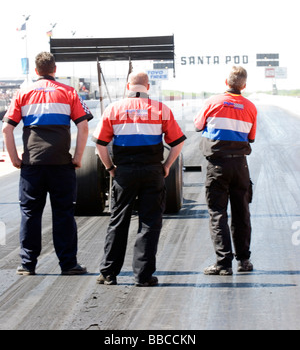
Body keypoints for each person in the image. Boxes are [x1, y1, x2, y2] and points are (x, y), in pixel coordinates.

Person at [2, 51, 93, 275]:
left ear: (36, 71)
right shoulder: (69, 92)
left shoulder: (23, 93)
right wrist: (78, 157)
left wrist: (14, 158)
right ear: (55, 70)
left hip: (32, 164)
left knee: (30, 214)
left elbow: (7, 128)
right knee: (63, 213)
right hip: (61, 163)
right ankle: (68, 264)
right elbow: (83, 126)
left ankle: (27, 264)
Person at [93, 71, 186, 286]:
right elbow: (178, 142)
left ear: (128, 86)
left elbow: (100, 143)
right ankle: (143, 276)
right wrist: (166, 165)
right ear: (148, 86)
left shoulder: (114, 109)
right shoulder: (161, 109)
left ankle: (108, 273)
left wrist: (110, 168)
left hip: (124, 172)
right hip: (152, 170)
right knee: (149, 223)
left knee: (118, 221)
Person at [194, 66, 257, 275]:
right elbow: (251, 138)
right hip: (240, 166)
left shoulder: (212, 102)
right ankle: (244, 261)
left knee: (218, 214)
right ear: (244, 85)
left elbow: (197, 125)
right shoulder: (250, 107)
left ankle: (223, 264)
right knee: (242, 213)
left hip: (217, 165)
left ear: (226, 82)